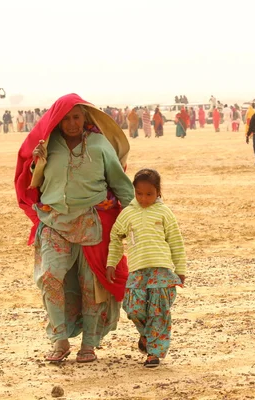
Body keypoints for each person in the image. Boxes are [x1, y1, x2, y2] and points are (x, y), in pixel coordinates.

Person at [14, 93, 134, 364]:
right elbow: (33, 182)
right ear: (57, 120)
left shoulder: (100, 145)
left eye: (76, 117)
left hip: (92, 224)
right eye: (66, 118)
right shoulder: (48, 146)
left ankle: (89, 345)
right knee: (50, 278)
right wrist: (36, 163)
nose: (71, 123)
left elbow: (121, 184)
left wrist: (138, 220)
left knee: (91, 287)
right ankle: (59, 340)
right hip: (54, 222)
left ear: (85, 117)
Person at [106, 169, 186, 368]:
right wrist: (111, 262)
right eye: (139, 193)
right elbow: (115, 237)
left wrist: (181, 269)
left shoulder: (164, 212)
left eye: (149, 194)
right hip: (138, 272)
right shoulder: (128, 214)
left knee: (158, 312)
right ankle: (146, 336)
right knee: (133, 308)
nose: (144, 198)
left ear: (158, 192)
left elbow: (176, 241)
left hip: (162, 271)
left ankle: (153, 353)